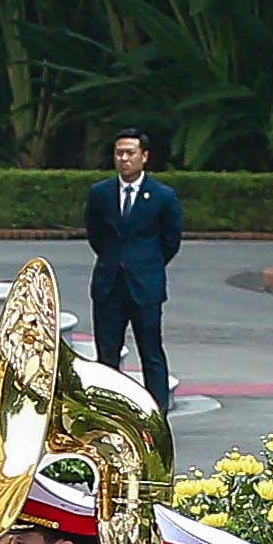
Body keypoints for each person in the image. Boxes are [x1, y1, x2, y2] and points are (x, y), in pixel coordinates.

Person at [84, 131, 184, 402]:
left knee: (151, 352)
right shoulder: (100, 193)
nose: (124, 159)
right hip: (109, 286)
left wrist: (146, 264)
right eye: (119, 153)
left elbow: (171, 240)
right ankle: (108, 410)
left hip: (145, 286)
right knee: (107, 355)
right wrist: (114, 259)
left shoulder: (163, 196)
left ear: (145, 156)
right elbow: (95, 235)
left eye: (130, 153)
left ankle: (157, 411)